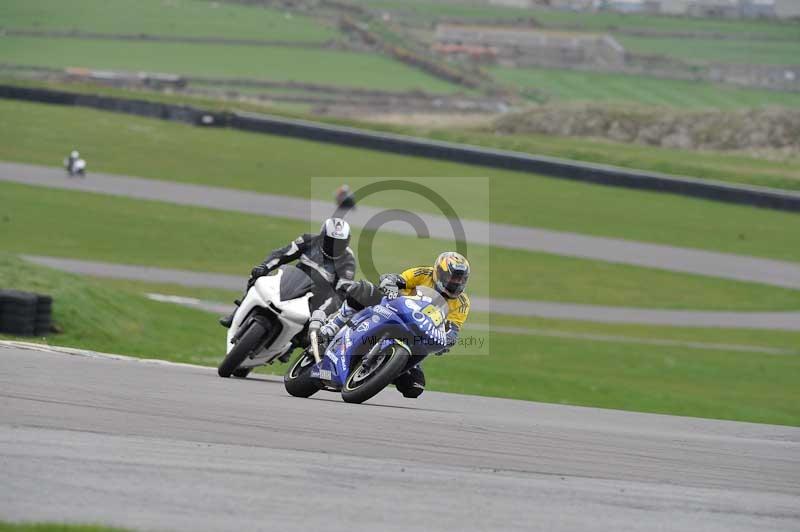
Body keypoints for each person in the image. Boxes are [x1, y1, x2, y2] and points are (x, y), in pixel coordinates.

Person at [314, 251, 470, 399]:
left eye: (461, 279)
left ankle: (383, 370)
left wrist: (448, 340)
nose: (456, 283)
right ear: (439, 273)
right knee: (365, 289)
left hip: (417, 335)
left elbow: (453, 329)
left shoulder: (462, 303)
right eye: (453, 278)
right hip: (394, 310)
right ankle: (335, 324)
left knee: (414, 387)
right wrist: (391, 283)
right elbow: (398, 279)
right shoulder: (423, 273)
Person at [218, 218, 357, 330]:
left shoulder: (348, 260)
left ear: (347, 242)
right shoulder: (308, 240)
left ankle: (293, 345)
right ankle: (237, 312)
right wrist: (265, 266)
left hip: (316, 297)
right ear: (322, 236)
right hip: (292, 280)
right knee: (258, 276)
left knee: (318, 324)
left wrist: (323, 311)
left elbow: (341, 293)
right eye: (331, 241)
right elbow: (282, 253)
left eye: (339, 243)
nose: (334, 246)